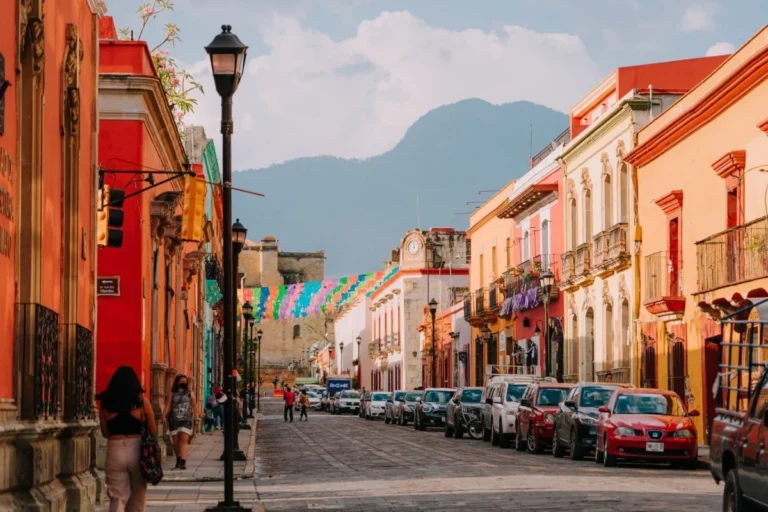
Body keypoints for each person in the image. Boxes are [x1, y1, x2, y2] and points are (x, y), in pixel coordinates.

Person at [98, 365, 156, 511]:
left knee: (117, 495)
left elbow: (105, 433)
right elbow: (153, 430)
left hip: (115, 449)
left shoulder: (105, 404)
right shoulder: (142, 403)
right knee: (138, 492)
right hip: (137, 449)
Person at [163, 374, 197, 470]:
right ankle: (178, 459)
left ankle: (183, 461)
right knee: (175, 442)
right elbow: (168, 406)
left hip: (186, 420)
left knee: (184, 440)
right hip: (174, 420)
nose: (183, 383)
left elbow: (194, 406)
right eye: (181, 382)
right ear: (177, 382)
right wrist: (164, 415)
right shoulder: (172, 393)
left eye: (185, 382)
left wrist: (197, 418)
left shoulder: (190, 393)